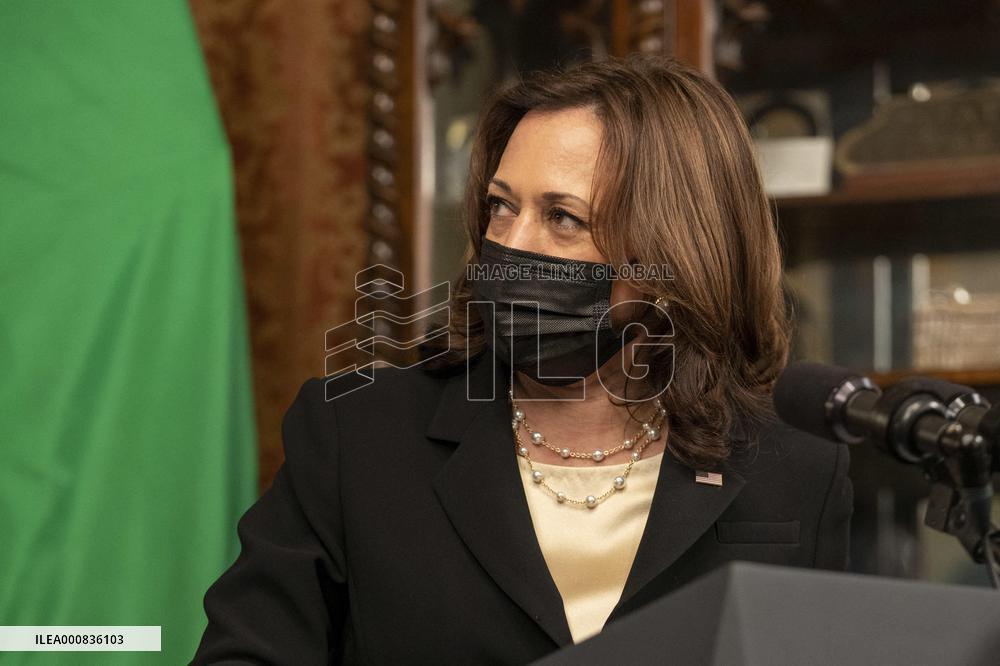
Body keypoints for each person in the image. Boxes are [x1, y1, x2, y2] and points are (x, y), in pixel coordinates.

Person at [192, 53, 853, 665]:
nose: (508, 245)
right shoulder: (357, 435)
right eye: (500, 207)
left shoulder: (796, 472)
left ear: (677, 254)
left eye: (563, 218)